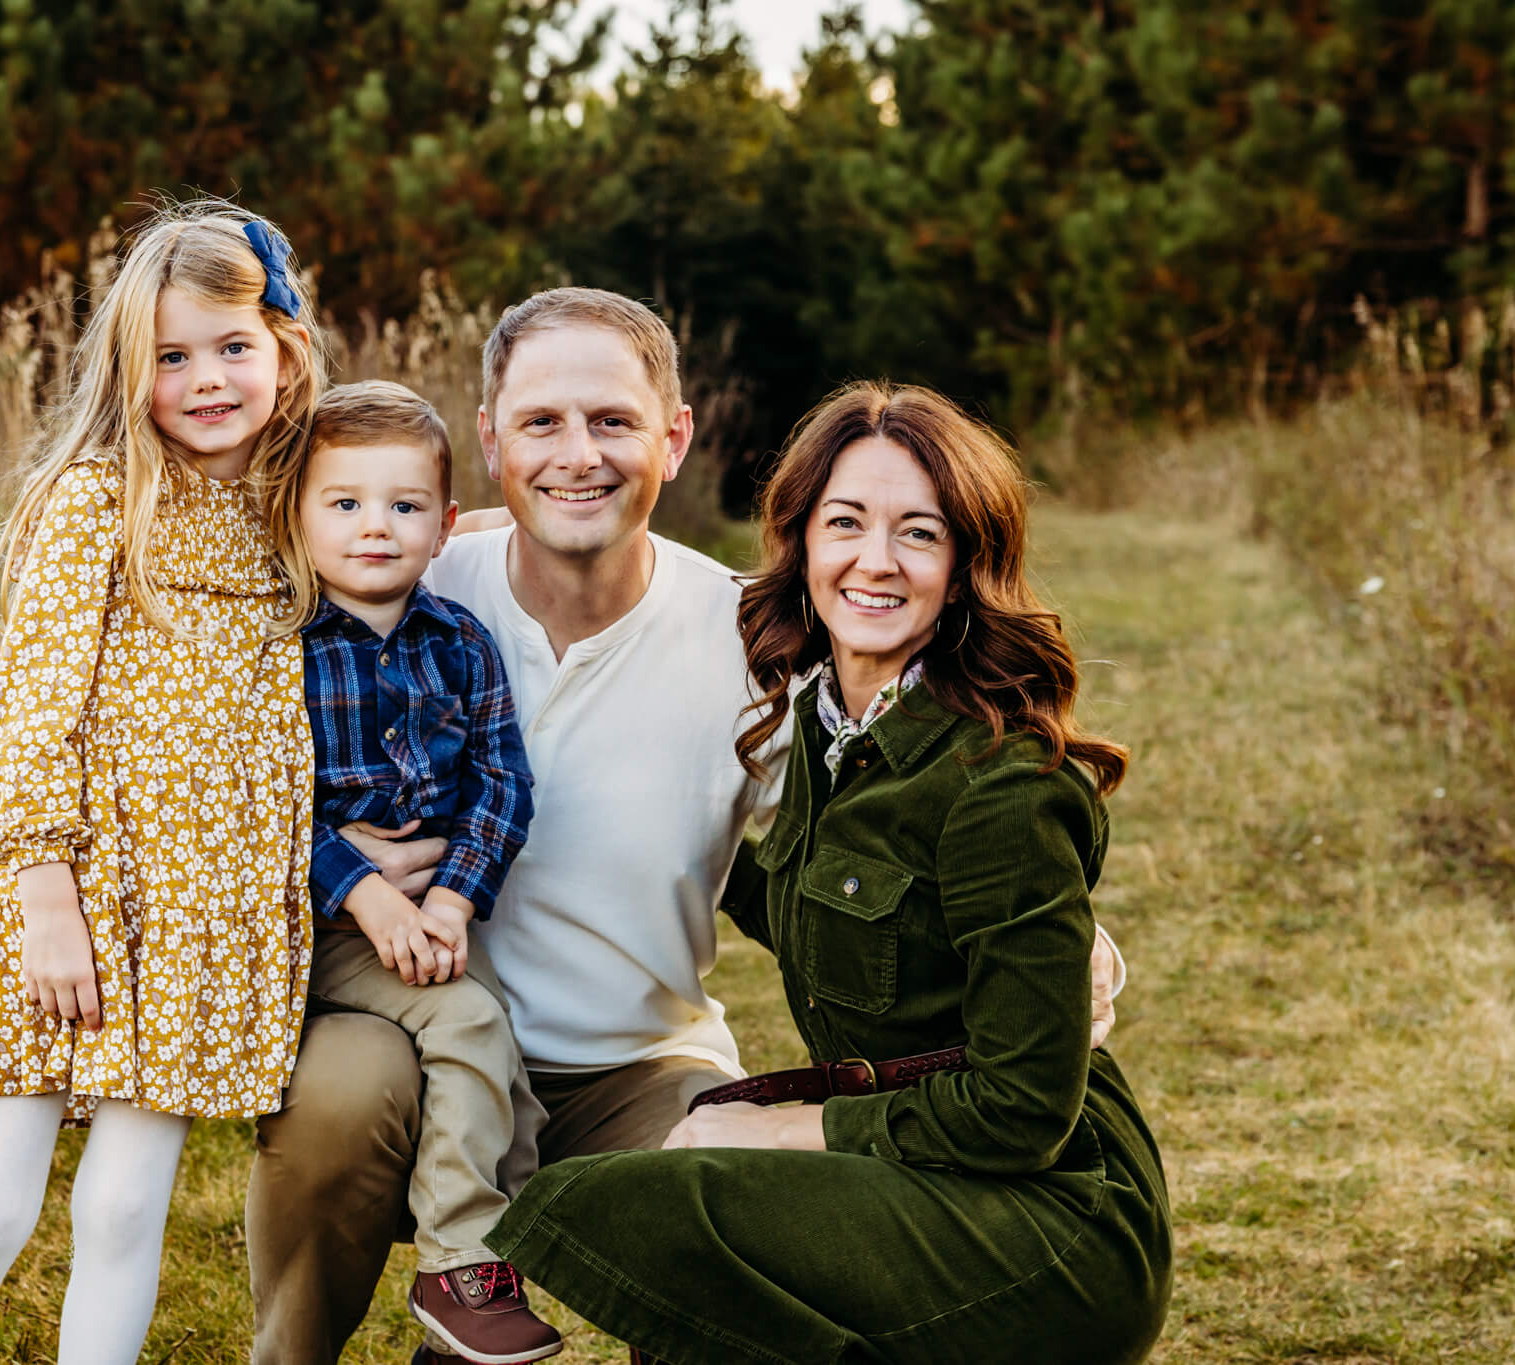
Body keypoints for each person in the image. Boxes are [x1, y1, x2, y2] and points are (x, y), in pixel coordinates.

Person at [244, 289, 1128, 1365]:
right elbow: (214, 761)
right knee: (337, 1087)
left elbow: (863, 838)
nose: (578, 455)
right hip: (411, 1035)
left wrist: (1070, 941)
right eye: (540, 424)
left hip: (637, 1063)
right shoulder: (404, 583)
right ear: (486, 442)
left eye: (612, 421)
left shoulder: (751, 644)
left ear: (673, 437)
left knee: (731, 1179)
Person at [487, 382, 1173, 1364]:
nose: (874, 561)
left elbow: (1020, 1113)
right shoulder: (822, 727)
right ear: (802, 542)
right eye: (844, 523)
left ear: (965, 563)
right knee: (685, 1217)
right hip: (922, 1172)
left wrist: (792, 1128)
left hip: (1047, 1220)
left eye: (918, 534)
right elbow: (804, 900)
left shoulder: (1000, 781)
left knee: (654, 1197)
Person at [0, 201, 324, 1365]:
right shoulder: (98, 498)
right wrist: (43, 898)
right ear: (130, 369)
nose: (207, 379)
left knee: (126, 1206)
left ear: (284, 344)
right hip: (68, 900)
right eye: (171, 357)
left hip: (198, 922)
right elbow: (30, 704)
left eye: (233, 347)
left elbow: (414, 523)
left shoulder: (298, 511)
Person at [276, 380, 560, 1362]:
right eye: (343, 503)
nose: (372, 528)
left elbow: (502, 785)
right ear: (295, 513)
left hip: (423, 925)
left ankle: (465, 1314)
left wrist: (450, 897)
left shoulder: (460, 644)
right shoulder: (276, 649)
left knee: (509, 1094)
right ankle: (457, 1266)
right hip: (308, 935)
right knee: (474, 1021)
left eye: (402, 507)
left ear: (443, 526)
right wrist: (362, 895)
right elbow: (254, 805)